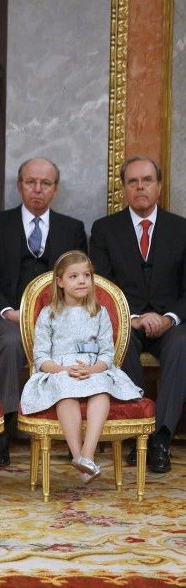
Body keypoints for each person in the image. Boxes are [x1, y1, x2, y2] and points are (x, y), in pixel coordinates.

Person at [0, 158, 87, 466]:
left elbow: (82, 280)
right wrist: (10, 312)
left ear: (55, 189)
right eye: (31, 182)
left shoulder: (72, 229)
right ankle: (4, 428)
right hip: (9, 318)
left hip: (59, 319)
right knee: (10, 343)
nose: (37, 189)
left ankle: (73, 433)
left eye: (45, 184)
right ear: (19, 185)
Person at [90, 156, 186, 474]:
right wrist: (129, 317)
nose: (140, 186)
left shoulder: (181, 228)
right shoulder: (104, 230)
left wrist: (169, 318)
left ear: (159, 186)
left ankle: (160, 439)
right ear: (124, 188)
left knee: (182, 343)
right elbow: (99, 288)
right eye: (133, 181)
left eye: (147, 180)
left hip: (169, 324)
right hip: (126, 320)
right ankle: (137, 431)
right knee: (121, 339)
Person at [20, 251, 142, 483]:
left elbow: (108, 354)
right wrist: (63, 370)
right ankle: (77, 455)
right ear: (60, 282)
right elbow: (41, 358)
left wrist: (93, 369)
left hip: (93, 370)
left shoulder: (99, 313)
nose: (82, 280)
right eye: (74, 276)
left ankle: (87, 455)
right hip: (59, 370)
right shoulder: (49, 315)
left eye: (86, 275)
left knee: (102, 390)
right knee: (65, 391)